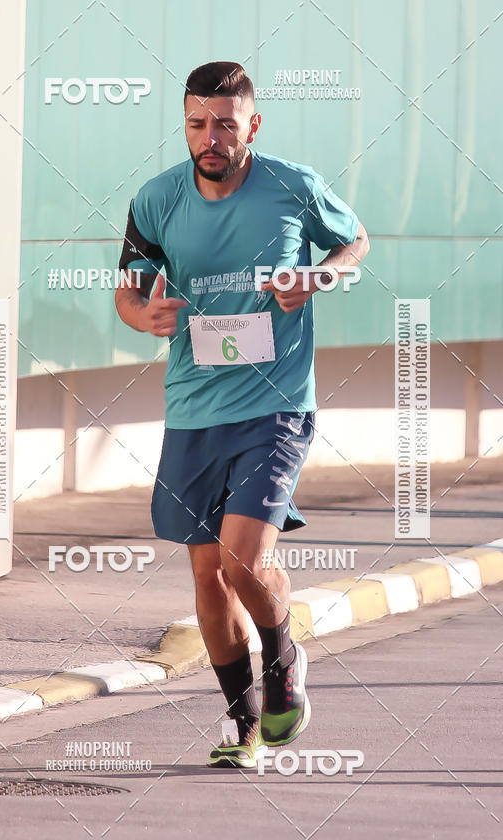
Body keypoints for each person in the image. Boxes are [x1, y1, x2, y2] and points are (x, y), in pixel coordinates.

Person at [115, 60, 369, 768]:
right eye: (197, 124)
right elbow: (128, 292)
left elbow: (357, 242)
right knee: (206, 577)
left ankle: (284, 657)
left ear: (251, 126)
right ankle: (241, 724)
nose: (210, 138)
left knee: (241, 558)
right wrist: (146, 314)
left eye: (225, 125)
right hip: (194, 409)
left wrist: (322, 274)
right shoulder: (157, 199)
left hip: (276, 406)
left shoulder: (293, 185)